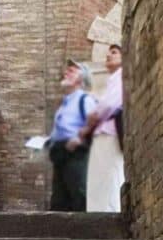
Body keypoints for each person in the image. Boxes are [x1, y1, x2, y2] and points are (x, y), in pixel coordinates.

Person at [47, 59, 95, 212]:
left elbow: (96, 119)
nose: (66, 72)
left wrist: (79, 138)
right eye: (67, 70)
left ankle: (82, 234)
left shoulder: (84, 99)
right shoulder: (65, 103)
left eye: (72, 71)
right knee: (58, 200)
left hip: (75, 153)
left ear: (81, 79)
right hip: (60, 153)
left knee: (78, 194)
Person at [84, 43, 124, 212]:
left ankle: (111, 211)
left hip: (109, 134)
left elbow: (109, 105)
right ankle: (100, 211)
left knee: (110, 176)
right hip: (103, 135)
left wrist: (94, 116)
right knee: (100, 178)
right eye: (108, 53)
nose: (109, 55)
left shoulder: (121, 76)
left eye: (114, 52)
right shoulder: (113, 79)